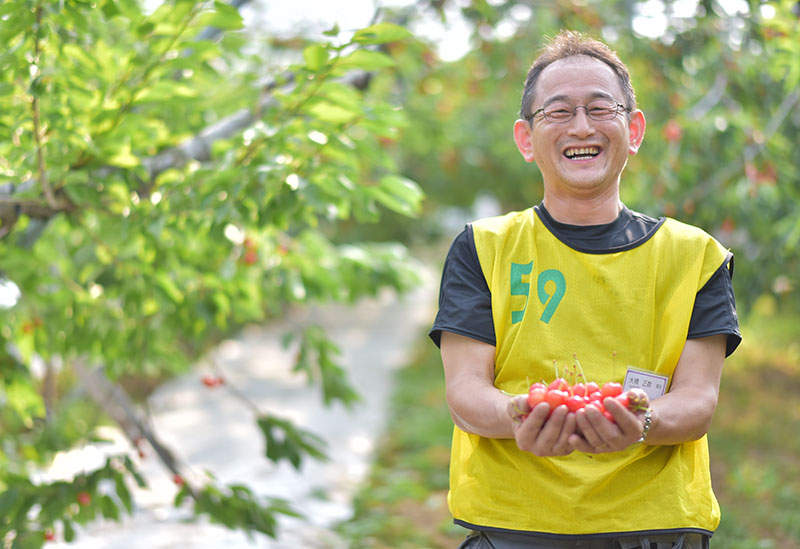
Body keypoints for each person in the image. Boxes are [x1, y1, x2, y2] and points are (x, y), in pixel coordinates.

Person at [429, 30, 741, 549]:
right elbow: (465, 393)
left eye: (601, 108)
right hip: (514, 524)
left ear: (634, 129)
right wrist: (519, 414)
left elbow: (698, 401)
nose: (581, 126)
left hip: (651, 525)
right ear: (526, 139)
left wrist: (637, 423)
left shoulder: (695, 256)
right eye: (558, 112)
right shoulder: (484, 247)